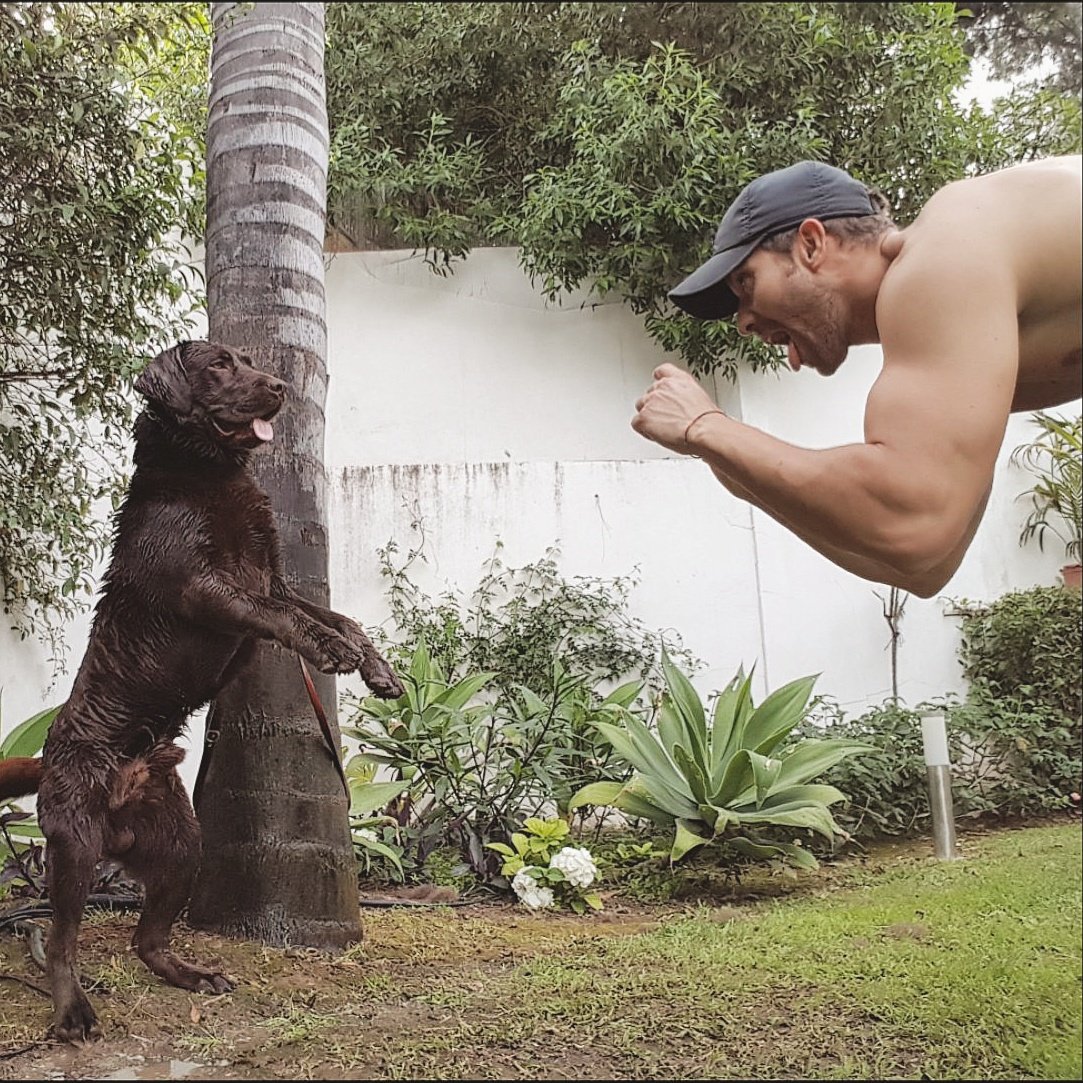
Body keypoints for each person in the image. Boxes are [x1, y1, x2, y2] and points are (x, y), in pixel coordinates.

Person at [632, 157, 1082, 597]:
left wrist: (707, 427)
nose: (743, 322)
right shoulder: (969, 338)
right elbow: (926, 566)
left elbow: (914, 523)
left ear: (811, 244)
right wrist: (739, 467)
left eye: (746, 284)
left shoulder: (942, 255)